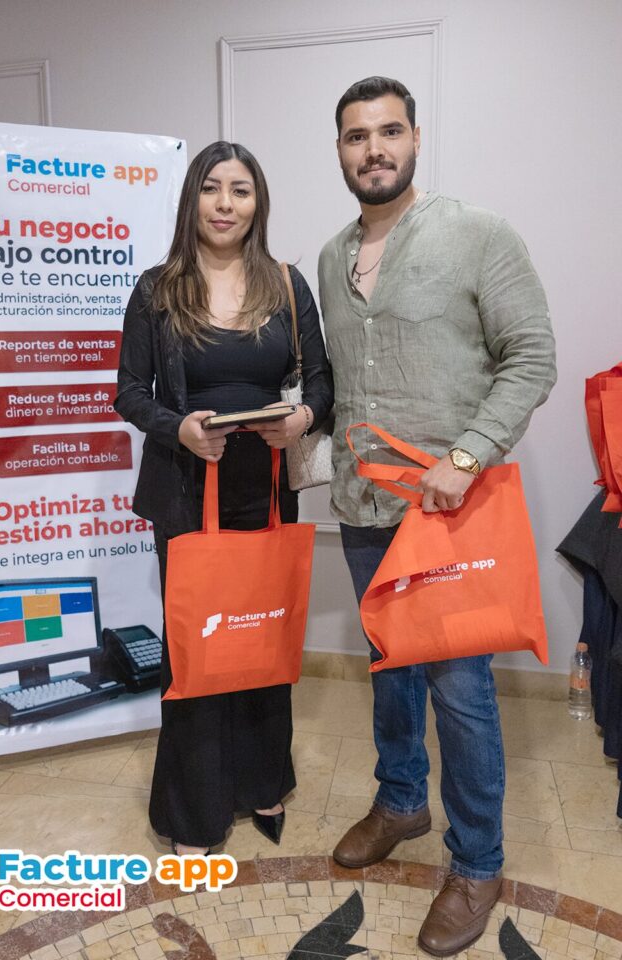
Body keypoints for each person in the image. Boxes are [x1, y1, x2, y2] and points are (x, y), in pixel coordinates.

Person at [318, 77, 556, 956]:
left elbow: (532, 355)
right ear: (340, 151)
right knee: (390, 667)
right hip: (364, 507)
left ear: (415, 139)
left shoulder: (478, 235)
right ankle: (401, 802)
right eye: (356, 136)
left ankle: (477, 861)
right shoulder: (330, 259)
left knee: (460, 689)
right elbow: (344, 383)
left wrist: (466, 456)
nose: (373, 149)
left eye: (389, 132)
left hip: (447, 511)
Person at [115, 140, 333, 855]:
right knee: (198, 646)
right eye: (212, 188)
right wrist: (178, 428)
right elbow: (130, 393)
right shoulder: (156, 289)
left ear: (257, 203)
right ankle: (195, 811)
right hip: (185, 492)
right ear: (193, 199)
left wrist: (301, 418)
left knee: (264, 633)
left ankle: (262, 782)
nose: (225, 204)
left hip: (264, 490)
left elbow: (322, 383)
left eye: (240, 190)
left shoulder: (287, 285)